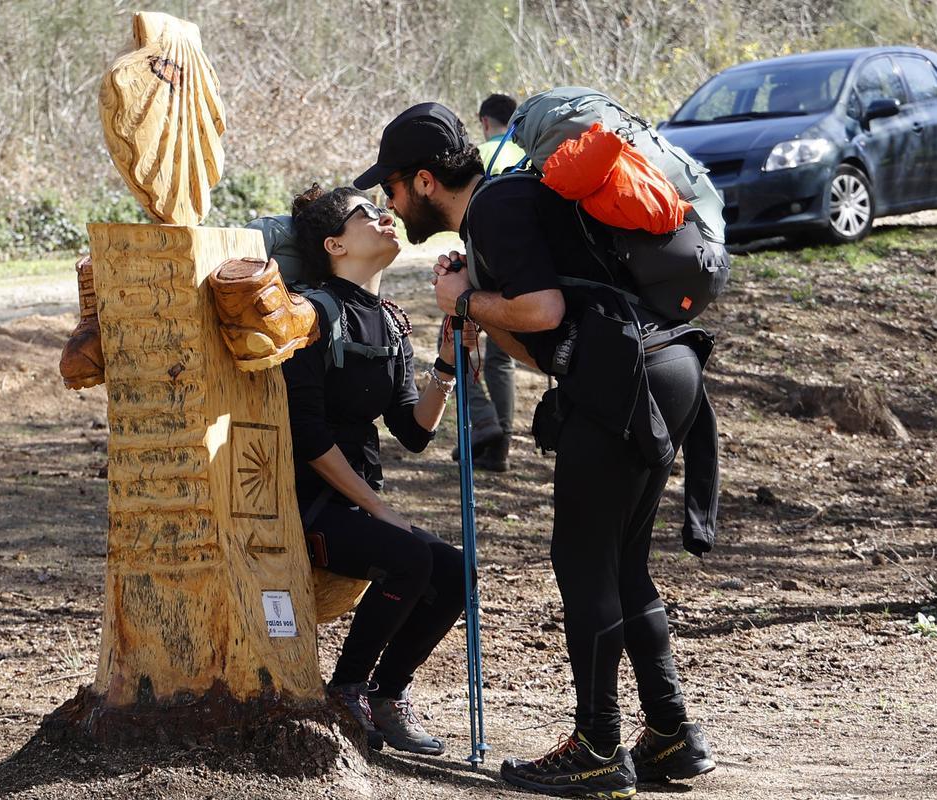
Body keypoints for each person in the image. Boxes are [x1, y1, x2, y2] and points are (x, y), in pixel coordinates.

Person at [353, 104, 719, 797]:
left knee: (583, 564)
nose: (391, 204)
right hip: (662, 368)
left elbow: (544, 312)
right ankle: (671, 734)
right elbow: (544, 347)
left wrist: (467, 304)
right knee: (621, 563)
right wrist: (473, 306)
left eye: (392, 189)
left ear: (425, 180)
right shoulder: (512, 204)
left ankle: (598, 746)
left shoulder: (497, 209)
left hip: (627, 382)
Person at [281, 183, 475, 756]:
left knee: (457, 571)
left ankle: (388, 697)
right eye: (366, 213)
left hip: (355, 503)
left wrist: (446, 362)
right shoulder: (309, 313)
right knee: (410, 556)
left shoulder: (389, 321)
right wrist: (380, 509)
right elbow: (309, 437)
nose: (384, 215)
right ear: (335, 243)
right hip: (306, 502)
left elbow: (413, 432)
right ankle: (346, 692)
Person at [443, 94, 528, 471]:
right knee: (501, 359)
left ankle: (485, 422)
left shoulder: (480, 156)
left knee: (457, 345)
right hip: (524, 269)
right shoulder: (527, 151)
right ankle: (500, 447)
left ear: (483, 121)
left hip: (482, 264)